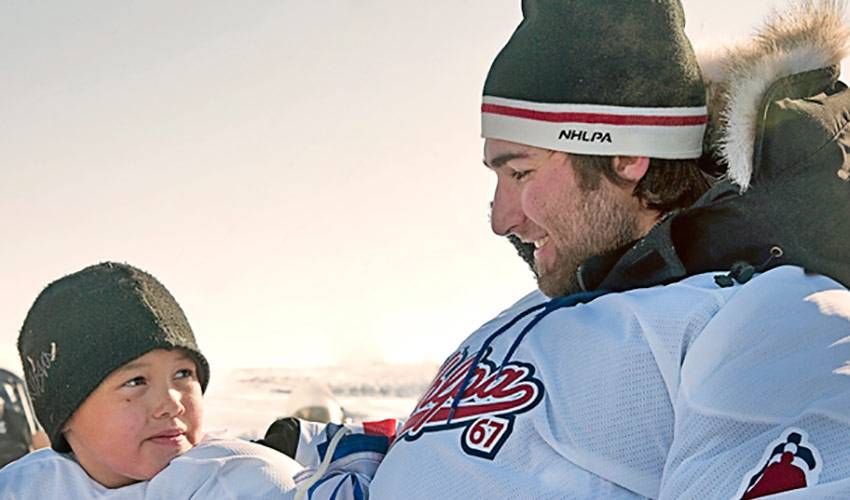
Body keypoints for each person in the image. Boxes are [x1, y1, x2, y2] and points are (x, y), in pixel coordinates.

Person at [265, 1, 850, 498]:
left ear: (625, 156)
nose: (500, 219)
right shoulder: (545, 306)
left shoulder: (766, 319)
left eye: (519, 172)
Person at [0, 262, 385, 499]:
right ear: (66, 415)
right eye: (135, 382)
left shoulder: (239, 480)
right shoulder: (26, 487)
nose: (171, 401)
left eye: (183, 374)